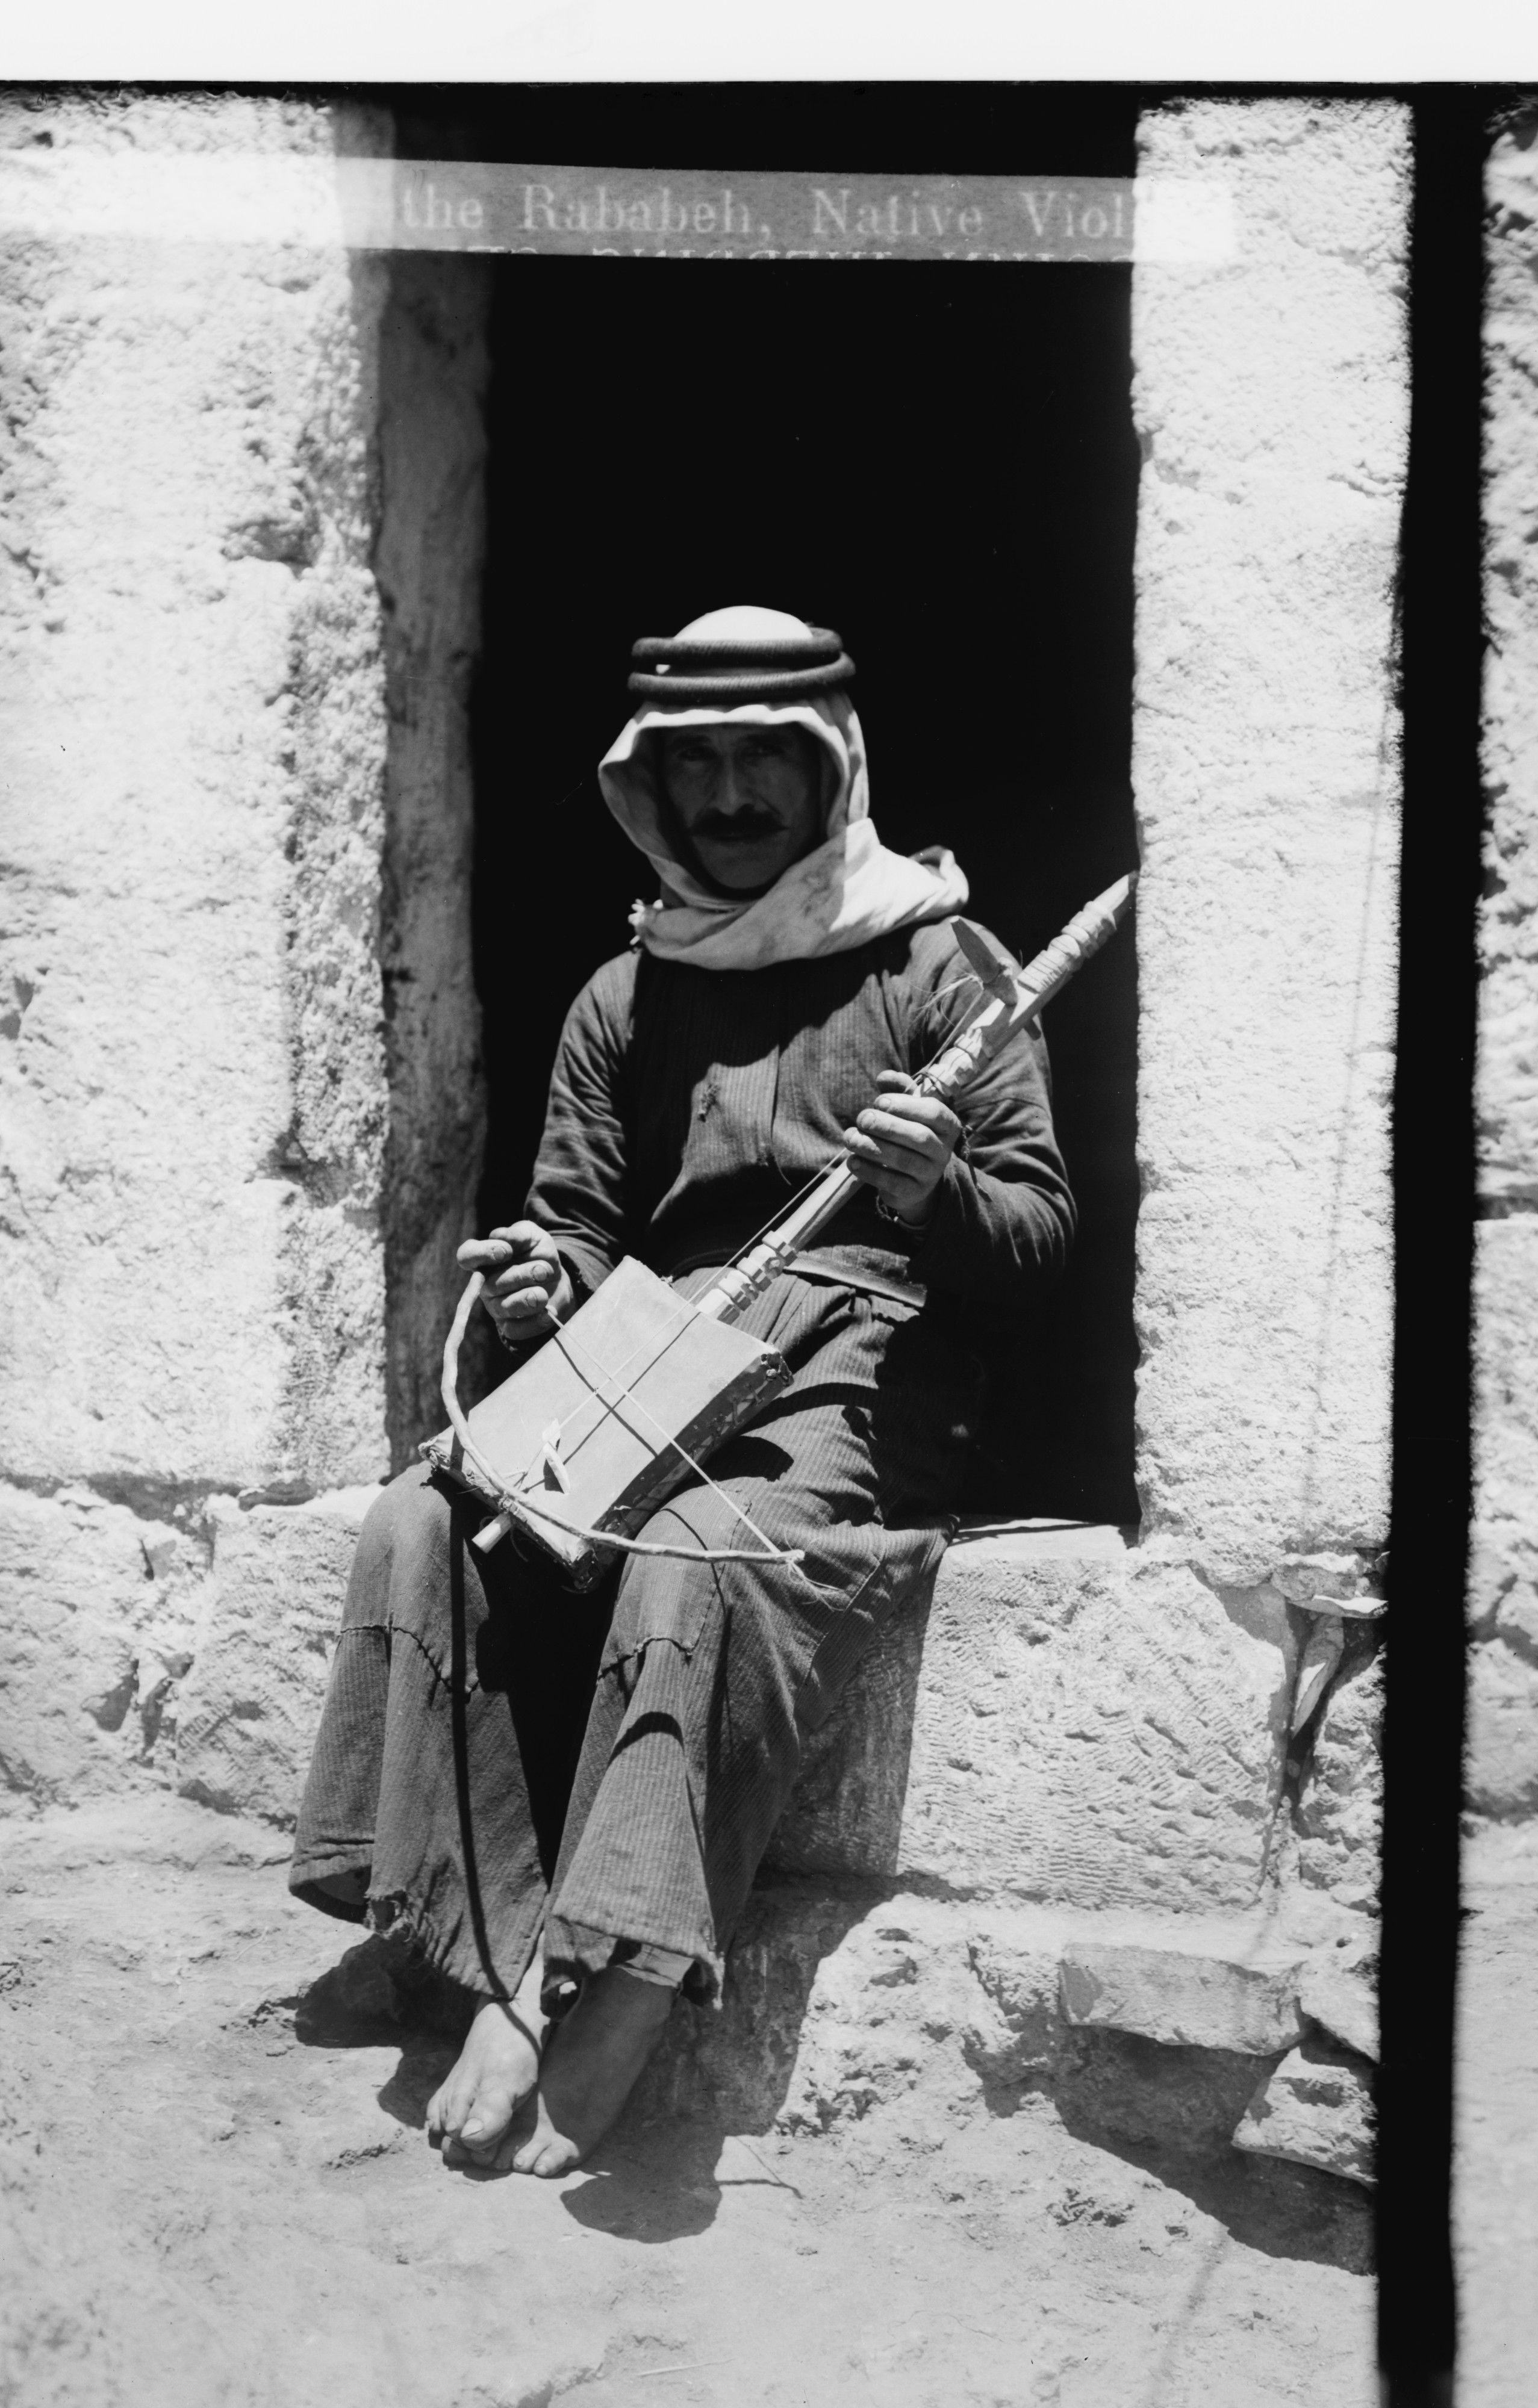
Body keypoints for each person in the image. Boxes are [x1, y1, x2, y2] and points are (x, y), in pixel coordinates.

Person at [287, 604, 1072, 2176]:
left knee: (692, 1559)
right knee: (421, 1524)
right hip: (644, 1354)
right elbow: (577, 1232)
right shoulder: (623, 992)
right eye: (692, 764)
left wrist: (929, 1190)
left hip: (854, 1368)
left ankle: (608, 1987)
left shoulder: (947, 966)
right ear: (647, 786)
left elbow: (1038, 1240)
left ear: (830, 766)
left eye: (759, 759)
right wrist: (543, 1286)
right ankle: (477, 1949)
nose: (725, 796)